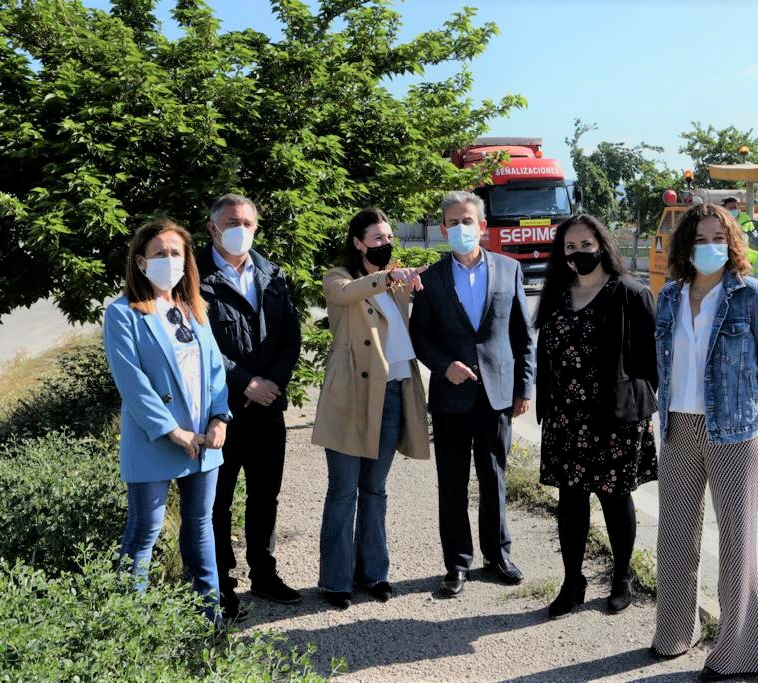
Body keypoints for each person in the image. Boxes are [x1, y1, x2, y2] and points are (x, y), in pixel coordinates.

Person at [650, 203, 758, 681]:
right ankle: (671, 635)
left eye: (717, 238)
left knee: (736, 542)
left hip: (733, 432)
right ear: (685, 246)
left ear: (731, 245)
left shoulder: (752, 296)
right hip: (677, 427)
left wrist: (757, 411)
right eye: (699, 239)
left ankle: (736, 656)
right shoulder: (669, 296)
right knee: (674, 537)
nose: (708, 247)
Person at [409, 190, 536, 598]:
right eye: (453, 222)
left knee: (494, 477)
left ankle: (497, 556)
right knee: (452, 482)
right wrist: (444, 366)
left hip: (497, 395)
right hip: (450, 396)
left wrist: (524, 388)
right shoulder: (429, 279)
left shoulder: (509, 269)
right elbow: (420, 337)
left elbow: (523, 336)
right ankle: (457, 563)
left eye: (468, 221)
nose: (461, 228)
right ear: (443, 228)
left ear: (482, 226)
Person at [103, 218, 230, 622]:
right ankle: (130, 628)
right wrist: (173, 432)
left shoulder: (194, 308)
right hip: (156, 440)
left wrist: (219, 417)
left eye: (176, 253)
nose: (170, 260)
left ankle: (209, 619)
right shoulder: (123, 313)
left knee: (199, 526)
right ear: (141, 262)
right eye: (160, 254)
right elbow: (132, 382)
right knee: (145, 531)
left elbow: (214, 371)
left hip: (204, 442)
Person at [533, 214, 658, 620]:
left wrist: (650, 412)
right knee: (570, 502)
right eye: (570, 247)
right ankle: (573, 582)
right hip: (565, 417)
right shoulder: (557, 294)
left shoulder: (630, 293)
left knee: (614, 498)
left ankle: (622, 577)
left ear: (602, 245)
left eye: (586, 244)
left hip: (614, 418)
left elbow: (652, 362)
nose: (579, 253)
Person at [311, 208, 431, 610]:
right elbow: (346, 294)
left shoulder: (396, 281)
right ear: (358, 242)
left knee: (375, 490)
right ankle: (335, 581)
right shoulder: (338, 278)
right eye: (377, 238)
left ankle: (374, 573)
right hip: (352, 398)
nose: (385, 244)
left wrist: (409, 283)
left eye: (389, 237)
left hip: (394, 392)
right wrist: (387, 276)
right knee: (343, 492)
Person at [198, 193, 302, 620]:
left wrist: (273, 383)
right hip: (220, 410)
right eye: (232, 222)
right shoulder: (194, 277)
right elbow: (198, 342)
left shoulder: (271, 274)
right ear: (213, 227)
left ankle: (264, 572)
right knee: (218, 502)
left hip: (267, 409)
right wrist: (246, 382)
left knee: (266, 496)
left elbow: (290, 336)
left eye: (248, 223)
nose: (241, 229)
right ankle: (221, 585)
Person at [721, 196, 758, 280]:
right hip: (728, 251)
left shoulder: (745, 217)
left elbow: (753, 232)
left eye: (735, 207)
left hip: (744, 249)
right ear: (725, 208)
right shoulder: (722, 220)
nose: (733, 210)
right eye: (730, 208)